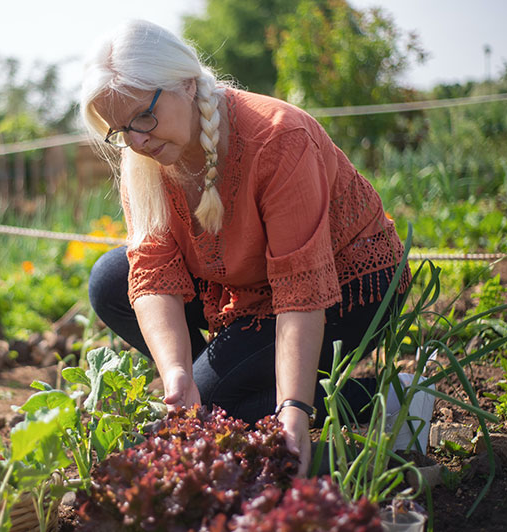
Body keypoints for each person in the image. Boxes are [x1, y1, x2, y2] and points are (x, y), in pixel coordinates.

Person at [80, 19, 411, 476]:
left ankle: (391, 399)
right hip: (250, 284)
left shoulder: (278, 138)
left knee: (216, 403)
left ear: (187, 84)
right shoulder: (145, 158)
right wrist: (178, 374)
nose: (136, 140)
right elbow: (153, 270)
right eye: (121, 130)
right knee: (111, 280)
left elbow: (301, 289)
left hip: (348, 284)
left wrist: (293, 408)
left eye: (143, 116)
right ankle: (220, 387)